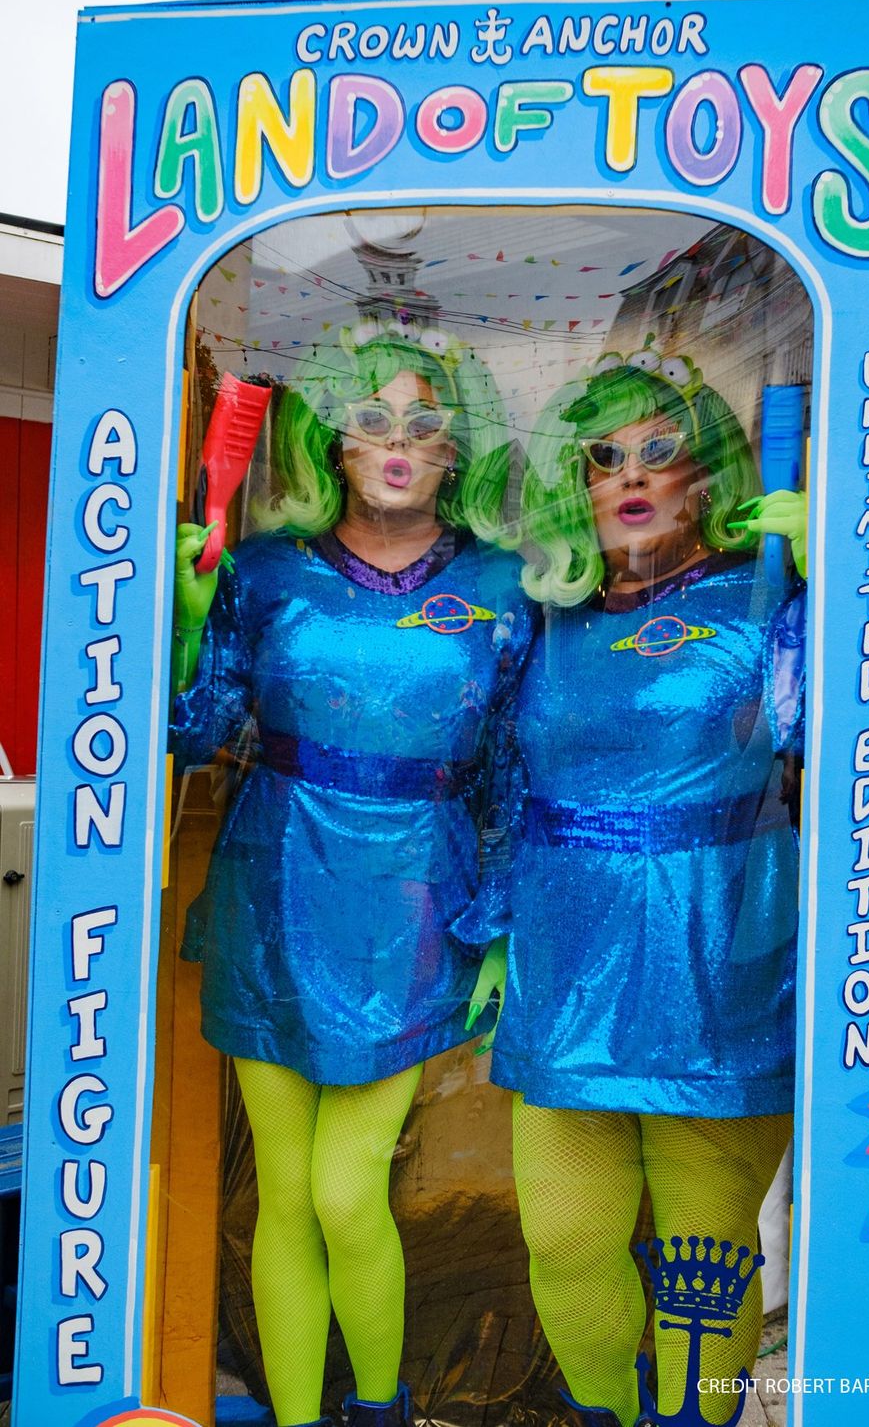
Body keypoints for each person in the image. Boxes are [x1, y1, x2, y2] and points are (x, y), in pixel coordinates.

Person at [170, 320, 530, 1427]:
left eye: (424, 423)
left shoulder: (506, 584)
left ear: (457, 447)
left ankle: (378, 1409)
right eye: (372, 419)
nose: (397, 442)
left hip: (416, 904)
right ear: (333, 441)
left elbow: (513, 773)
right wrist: (187, 624)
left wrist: (500, 925)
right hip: (272, 889)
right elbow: (195, 734)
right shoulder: (264, 571)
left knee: (344, 1186)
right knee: (286, 1195)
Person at [470, 342, 805, 1427]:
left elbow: (848, 738)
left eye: (657, 452)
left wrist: (842, 589)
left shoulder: (767, 599)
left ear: (701, 474)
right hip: (567, 970)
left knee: (706, 1262)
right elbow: (504, 787)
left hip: (717, 967)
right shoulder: (548, 617)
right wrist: (495, 930)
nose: (629, 476)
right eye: (603, 457)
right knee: (564, 1239)